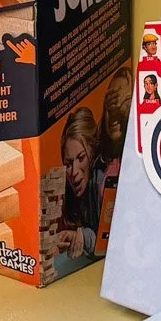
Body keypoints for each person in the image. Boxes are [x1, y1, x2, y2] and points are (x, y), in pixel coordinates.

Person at [59, 108, 104, 254]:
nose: (73, 172)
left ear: (93, 150)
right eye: (68, 164)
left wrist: (85, 237)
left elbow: (110, 241)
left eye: (81, 158)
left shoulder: (101, 183)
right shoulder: (68, 195)